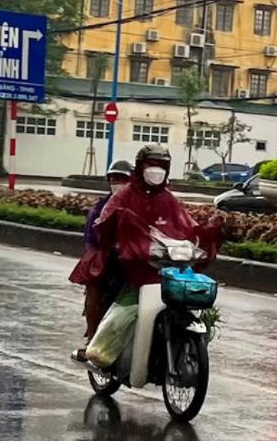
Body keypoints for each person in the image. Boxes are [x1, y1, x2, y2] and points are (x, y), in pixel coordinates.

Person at [77, 146, 221, 349]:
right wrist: (119, 239)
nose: (156, 171)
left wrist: (205, 233)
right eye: (151, 165)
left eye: (161, 166)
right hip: (123, 259)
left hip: (156, 260)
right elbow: (102, 228)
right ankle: (93, 341)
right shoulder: (123, 196)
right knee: (98, 284)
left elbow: (185, 225)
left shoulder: (168, 199)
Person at [69, 160, 135, 360]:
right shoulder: (101, 206)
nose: (118, 182)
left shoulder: (145, 204)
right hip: (111, 263)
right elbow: (91, 238)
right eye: (114, 179)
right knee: (94, 289)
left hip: (139, 262)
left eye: (122, 179)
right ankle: (92, 341)